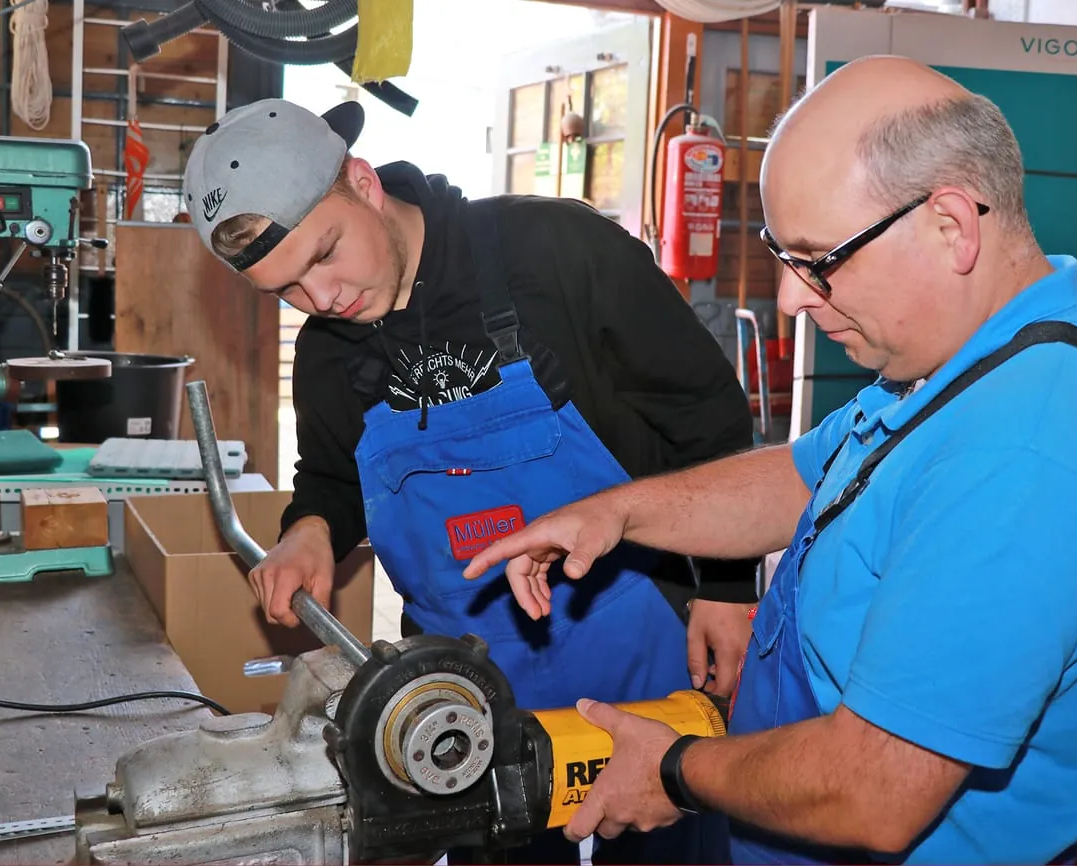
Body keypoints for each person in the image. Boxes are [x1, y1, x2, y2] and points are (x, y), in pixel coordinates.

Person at [464, 54, 1077, 864]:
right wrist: (620, 511)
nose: (792, 298)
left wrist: (674, 771)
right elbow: (805, 477)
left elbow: (873, 791)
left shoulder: (1029, 456)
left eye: (817, 261)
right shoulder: (973, 353)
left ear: (951, 226)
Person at [180, 96, 756, 864]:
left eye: (323, 255)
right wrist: (309, 532)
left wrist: (728, 586)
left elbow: (705, 414)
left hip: (644, 641)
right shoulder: (328, 353)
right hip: (469, 685)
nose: (322, 301)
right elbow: (330, 475)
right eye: (285, 291)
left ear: (363, 181)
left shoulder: (555, 251)